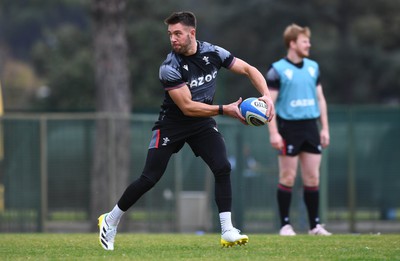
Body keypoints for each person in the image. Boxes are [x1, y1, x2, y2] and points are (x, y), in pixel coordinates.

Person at [98, 11, 275, 250]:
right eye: (170, 34)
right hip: (172, 124)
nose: (173, 39)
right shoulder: (169, 67)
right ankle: (110, 220)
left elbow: (248, 69)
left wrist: (266, 95)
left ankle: (227, 230)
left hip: (202, 123)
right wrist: (226, 110)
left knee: (222, 166)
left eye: (178, 33)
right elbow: (188, 107)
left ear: (192, 33)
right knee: (149, 178)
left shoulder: (213, 52)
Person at [265, 24, 332, 236]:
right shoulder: (277, 70)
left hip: (311, 127)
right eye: (305, 41)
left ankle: (315, 226)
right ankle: (285, 225)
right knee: (288, 176)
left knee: (312, 177)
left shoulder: (313, 67)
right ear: (292, 43)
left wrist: (325, 129)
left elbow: (320, 99)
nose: (309, 44)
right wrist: (274, 133)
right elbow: (270, 105)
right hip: (288, 128)